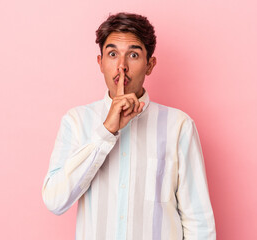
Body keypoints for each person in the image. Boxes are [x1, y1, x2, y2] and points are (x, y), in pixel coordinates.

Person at [42, 12, 216, 240]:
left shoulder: (179, 126)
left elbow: (199, 221)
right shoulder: (76, 121)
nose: (121, 66)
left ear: (150, 65)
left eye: (133, 55)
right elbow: (55, 200)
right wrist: (106, 132)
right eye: (112, 54)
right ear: (100, 63)